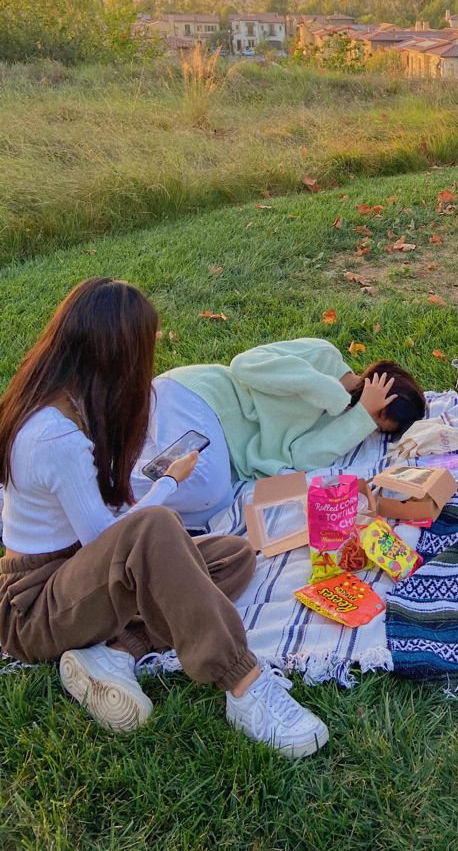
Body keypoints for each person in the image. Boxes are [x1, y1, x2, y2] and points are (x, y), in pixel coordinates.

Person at [0, 278, 328, 756]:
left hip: (78, 579)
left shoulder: (78, 404)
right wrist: (169, 484)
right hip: (35, 609)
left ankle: (115, 654)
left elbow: (111, 528)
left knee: (231, 554)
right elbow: (108, 540)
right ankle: (244, 683)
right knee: (157, 528)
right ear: (116, 352)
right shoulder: (54, 436)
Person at [132, 340, 426, 518]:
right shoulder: (324, 356)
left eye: (375, 425)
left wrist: (360, 416)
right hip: (203, 397)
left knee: (211, 507)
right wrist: (334, 393)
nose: (367, 424)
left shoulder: (349, 423)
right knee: (208, 486)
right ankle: (106, 487)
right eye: (375, 417)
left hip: (221, 442)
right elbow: (245, 365)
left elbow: (300, 458)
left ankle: (117, 485)